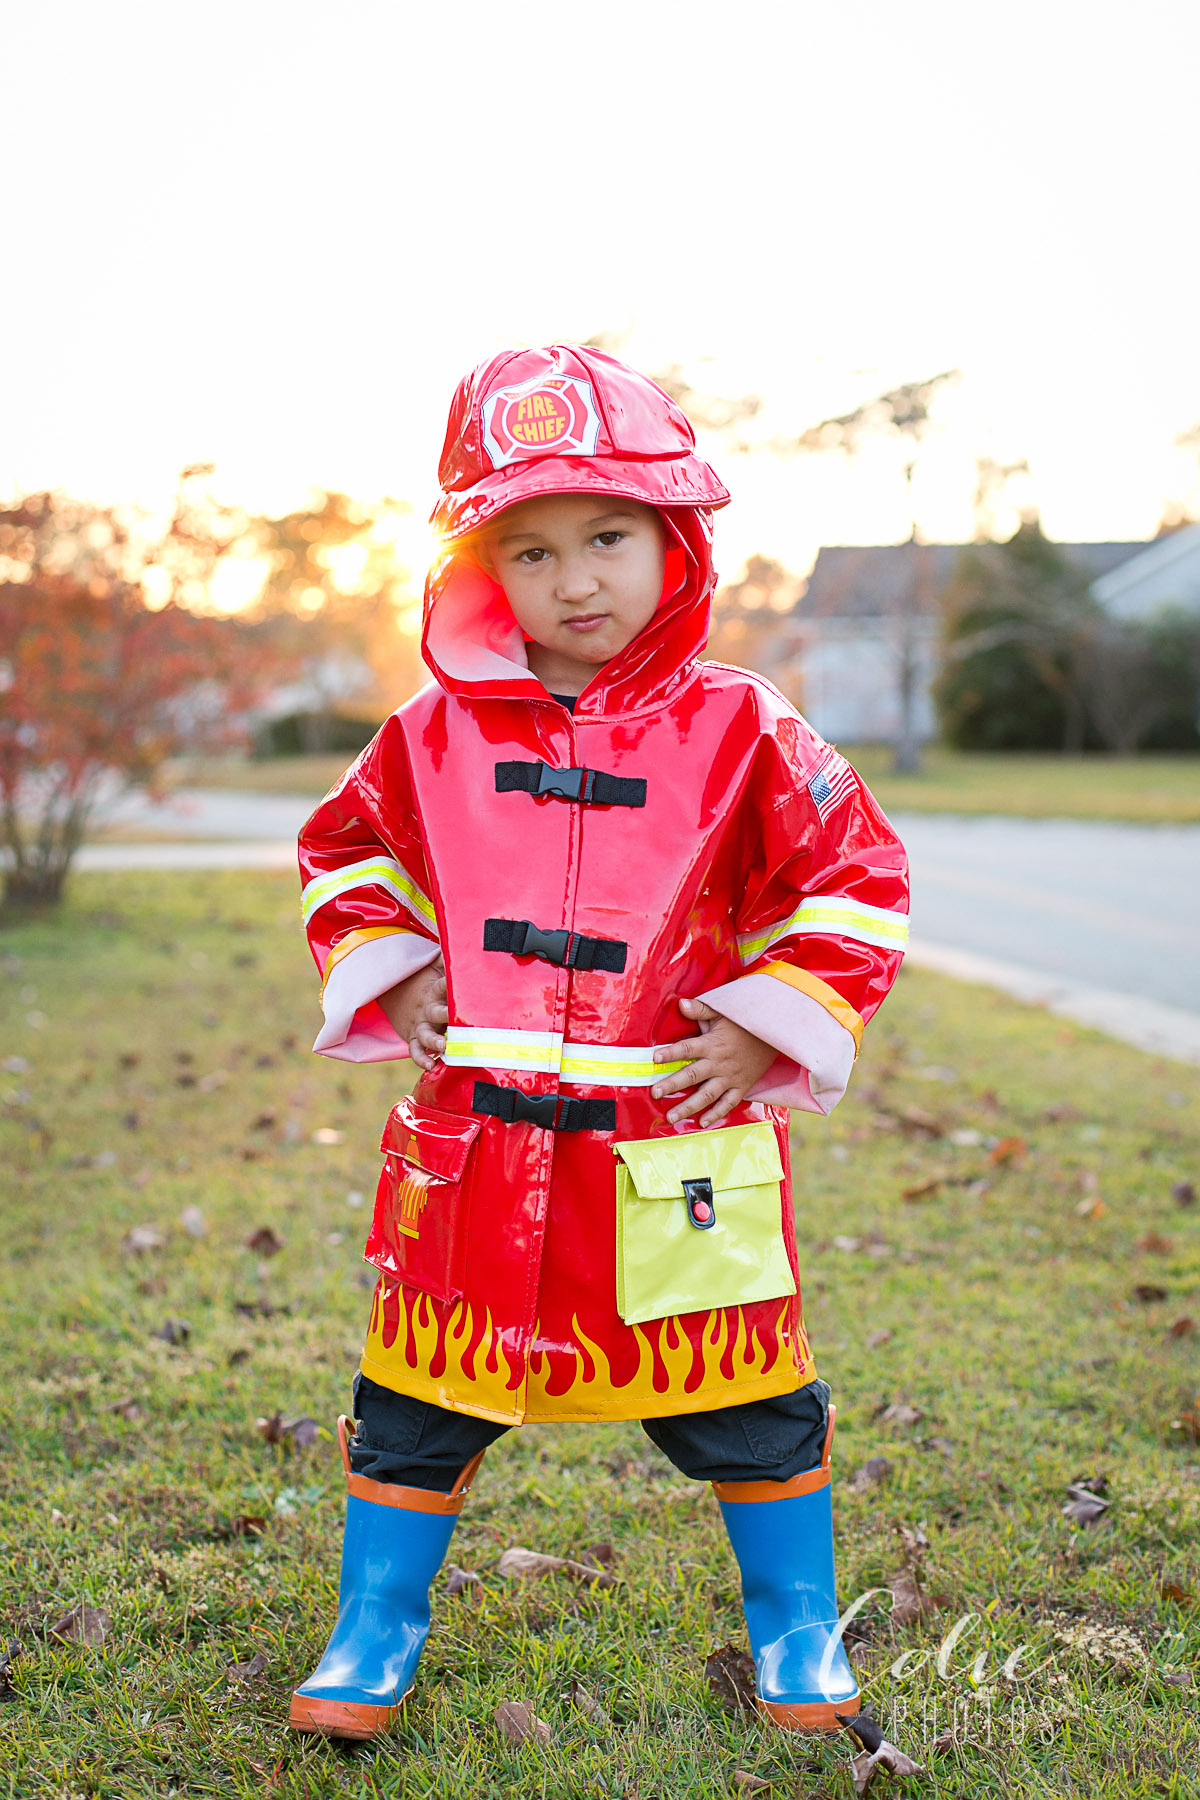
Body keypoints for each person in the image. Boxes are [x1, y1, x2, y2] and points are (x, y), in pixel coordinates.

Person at [290, 344, 909, 1742]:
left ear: (673, 540)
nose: (576, 580)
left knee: (749, 1402)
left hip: (675, 1142)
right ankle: (376, 1621)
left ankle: (796, 1628)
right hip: (478, 1140)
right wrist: (395, 971)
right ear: (479, 569)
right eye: (532, 547)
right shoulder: (429, 734)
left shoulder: (746, 726)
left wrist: (772, 1028)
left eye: (609, 537)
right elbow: (346, 852)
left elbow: (856, 876)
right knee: (415, 1404)